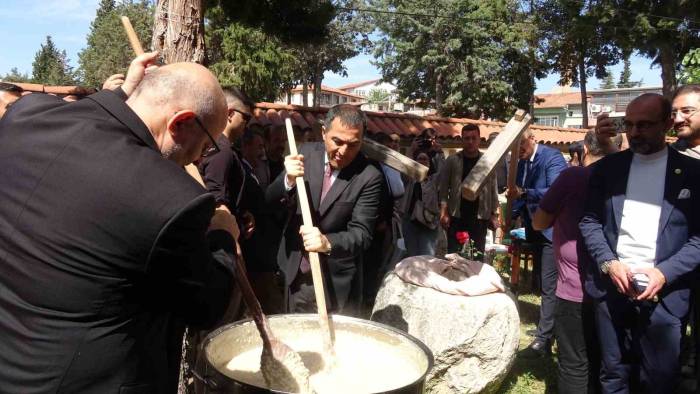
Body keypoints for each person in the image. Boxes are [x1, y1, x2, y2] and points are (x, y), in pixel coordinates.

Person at [0, 53, 238, 393]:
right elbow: (206, 307)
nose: (199, 159)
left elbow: (91, 115)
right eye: (204, 145)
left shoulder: (28, 115)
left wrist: (123, 93)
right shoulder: (172, 200)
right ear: (180, 123)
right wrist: (224, 237)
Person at [580, 93, 700, 393]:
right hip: (613, 290)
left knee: (659, 379)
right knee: (613, 374)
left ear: (667, 124)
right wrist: (609, 263)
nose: (634, 132)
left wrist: (664, 273)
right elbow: (589, 221)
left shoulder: (692, 173)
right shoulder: (609, 169)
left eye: (644, 125)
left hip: (665, 296)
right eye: (630, 124)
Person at [266, 104, 383, 314]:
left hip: (335, 283)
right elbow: (269, 202)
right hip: (295, 275)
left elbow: (362, 234)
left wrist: (327, 242)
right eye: (337, 141)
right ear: (323, 133)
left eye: (353, 145)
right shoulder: (304, 154)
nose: (343, 152)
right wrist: (288, 179)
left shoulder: (369, 176)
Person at [532, 130, 614, 393]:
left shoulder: (574, 176)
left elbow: (539, 222)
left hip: (575, 289)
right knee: (606, 361)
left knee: (574, 363)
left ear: (585, 151)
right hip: (615, 287)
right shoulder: (625, 179)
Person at [507, 128, 567, 357]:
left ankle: (544, 340)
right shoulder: (521, 162)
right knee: (543, 282)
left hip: (554, 230)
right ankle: (547, 329)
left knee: (550, 285)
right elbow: (518, 197)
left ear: (532, 139)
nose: (518, 151)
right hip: (536, 230)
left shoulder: (551, 157)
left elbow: (554, 191)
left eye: (521, 145)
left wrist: (523, 193)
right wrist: (509, 218)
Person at [439, 124, 500, 255]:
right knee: (454, 255)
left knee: (477, 255)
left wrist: (494, 215)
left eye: (473, 138)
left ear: (479, 139)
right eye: (466, 138)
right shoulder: (452, 161)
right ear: (462, 140)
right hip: (457, 215)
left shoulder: (487, 162)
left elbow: (493, 190)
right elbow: (443, 189)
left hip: (480, 216)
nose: (470, 142)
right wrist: (443, 213)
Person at [402, 150, 440, 255]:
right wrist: (411, 148)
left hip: (429, 223)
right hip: (410, 222)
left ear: (429, 163)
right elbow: (403, 166)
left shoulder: (434, 180)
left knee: (427, 257)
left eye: (425, 159)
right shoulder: (408, 179)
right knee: (412, 257)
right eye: (419, 159)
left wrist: (439, 151)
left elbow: (444, 171)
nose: (422, 161)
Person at [259, 123, 287, 189]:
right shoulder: (258, 164)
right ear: (266, 142)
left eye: (283, 141)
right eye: (276, 140)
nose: (281, 145)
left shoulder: (285, 164)